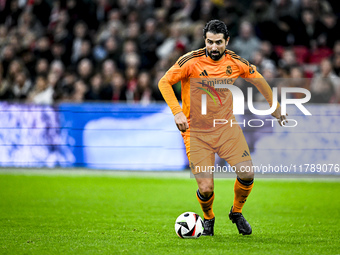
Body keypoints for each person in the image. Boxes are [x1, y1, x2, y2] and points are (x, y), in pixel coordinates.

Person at [158, 20, 286, 236]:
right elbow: (164, 82)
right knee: (206, 188)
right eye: (210, 42)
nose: (214, 47)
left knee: (247, 173)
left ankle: (236, 212)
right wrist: (177, 111)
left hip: (226, 128)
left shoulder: (235, 61)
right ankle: (208, 219)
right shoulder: (190, 61)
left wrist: (274, 105)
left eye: (218, 42)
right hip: (196, 132)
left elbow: (259, 79)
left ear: (227, 41)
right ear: (204, 41)